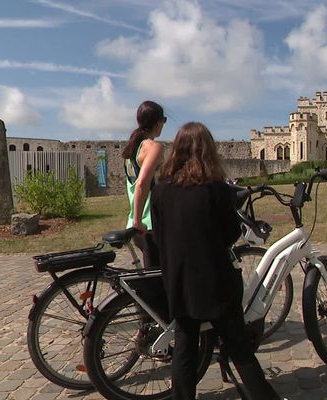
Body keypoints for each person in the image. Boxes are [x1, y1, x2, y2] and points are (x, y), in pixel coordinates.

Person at [151, 122, 282, 400]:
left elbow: (159, 235)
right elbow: (231, 234)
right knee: (238, 347)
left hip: (179, 280)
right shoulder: (216, 190)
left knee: (186, 347)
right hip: (215, 280)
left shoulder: (161, 190)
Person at [122, 100, 165, 269]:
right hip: (148, 224)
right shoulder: (153, 147)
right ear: (158, 122)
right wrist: (139, 221)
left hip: (136, 223)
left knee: (155, 279)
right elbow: (142, 184)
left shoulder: (132, 149)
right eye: (164, 121)